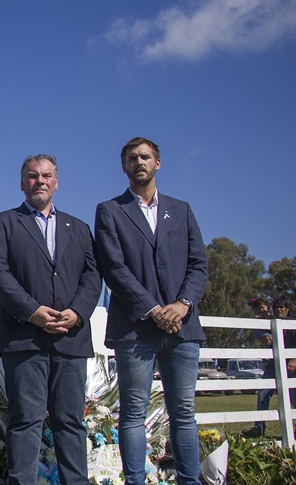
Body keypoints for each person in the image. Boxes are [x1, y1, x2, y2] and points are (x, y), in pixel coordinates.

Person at [94, 137, 208, 485]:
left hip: (182, 329)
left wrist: (182, 304)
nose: (139, 161)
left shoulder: (182, 210)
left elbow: (198, 264)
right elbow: (112, 266)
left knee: (184, 414)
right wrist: (153, 308)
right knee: (132, 414)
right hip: (134, 329)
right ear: (123, 166)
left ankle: (190, 480)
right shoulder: (110, 211)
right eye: (132, 158)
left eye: (145, 156)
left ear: (158, 163)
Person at [0, 154, 101, 485]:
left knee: (71, 422)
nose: (40, 181)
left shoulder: (79, 228)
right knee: (25, 420)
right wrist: (32, 312)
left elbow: (93, 277)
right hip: (24, 338)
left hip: (70, 338)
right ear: (22, 184)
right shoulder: (2, 222)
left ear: (57, 182)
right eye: (32, 176)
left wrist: (77, 312)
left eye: (47, 175)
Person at [243, 296, 293, 437]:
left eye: (282, 307)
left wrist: (294, 359)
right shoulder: (268, 322)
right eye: (277, 307)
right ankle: (259, 427)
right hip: (273, 366)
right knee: (263, 395)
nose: (279, 310)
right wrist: (264, 336)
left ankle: (293, 428)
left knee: (293, 399)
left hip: (291, 367)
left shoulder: (292, 322)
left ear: (287, 309)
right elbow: (259, 332)